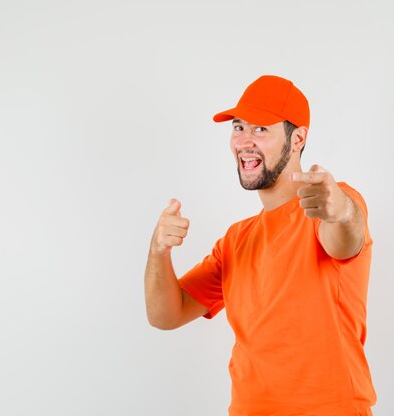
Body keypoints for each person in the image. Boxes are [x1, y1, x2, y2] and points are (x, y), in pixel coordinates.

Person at [144, 75, 376, 416]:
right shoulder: (236, 241)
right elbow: (165, 315)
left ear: (297, 139)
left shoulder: (327, 206)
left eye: (260, 129)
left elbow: (345, 238)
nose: (244, 141)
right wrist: (158, 252)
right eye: (238, 127)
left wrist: (339, 210)